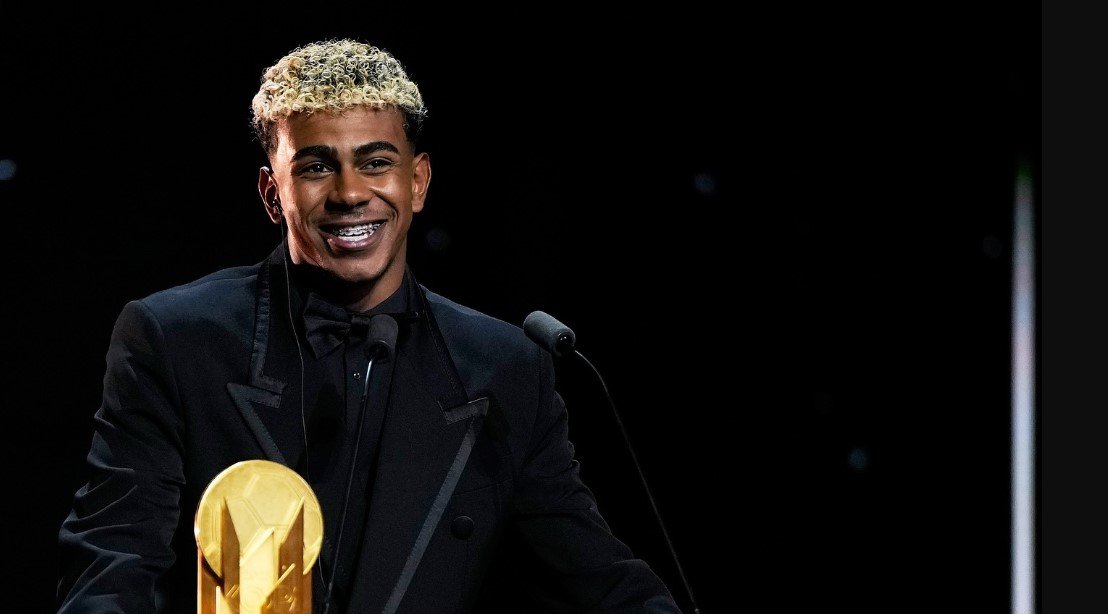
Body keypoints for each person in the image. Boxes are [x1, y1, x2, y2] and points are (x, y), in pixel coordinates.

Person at [56, 38, 679, 613]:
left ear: (418, 182)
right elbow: (111, 571)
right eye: (316, 167)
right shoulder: (175, 340)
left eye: (376, 162)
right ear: (272, 193)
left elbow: (599, 581)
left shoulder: (506, 368)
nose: (351, 193)